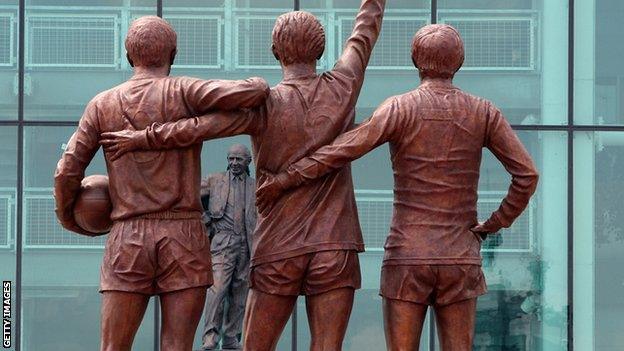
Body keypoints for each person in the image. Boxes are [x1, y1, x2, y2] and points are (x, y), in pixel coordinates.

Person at [99, 1, 386, 349]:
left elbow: (198, 128)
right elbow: (364, 30)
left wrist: (141, 137)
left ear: (275, 52)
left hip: (278, 247)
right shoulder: (343, 85)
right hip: (336, 246)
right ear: (321, 49)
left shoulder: (266, 105)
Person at [255, 24, 540, 350]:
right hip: (460, 255)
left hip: (408, 255)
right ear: (459, 61)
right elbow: (527, 175)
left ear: (415, 60)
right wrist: (495, 222)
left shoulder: (399, 108)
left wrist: (285, 179)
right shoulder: (483, 111)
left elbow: (340, 152)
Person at [53, 16, 269, 351]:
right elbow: (255, 91)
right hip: (183, 236)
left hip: (128, 236)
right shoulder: (184, 91)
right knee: (177, 346)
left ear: (129, 56)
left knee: (113, 346)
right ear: (173, 53)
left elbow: (66, 172)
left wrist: (70, 219)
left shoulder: (102, 104)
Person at [200, 144, 256, 351]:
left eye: (238, 159)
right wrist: (205, 220)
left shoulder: (255, 186)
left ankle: (231, 337)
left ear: (248, 162)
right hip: (223, 241)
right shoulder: (215, 181)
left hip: (246, 243)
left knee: (240, 293)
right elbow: (191, 197)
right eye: (231, 159)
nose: (234, 163)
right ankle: (210, 336)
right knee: (218, 289)